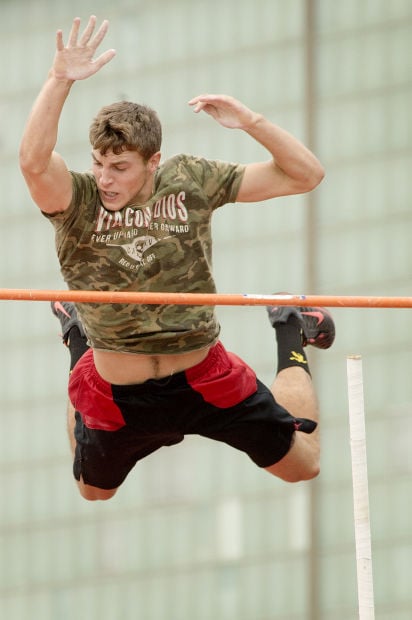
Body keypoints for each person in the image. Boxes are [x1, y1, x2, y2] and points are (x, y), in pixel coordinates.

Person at [19, 15, 335, 501]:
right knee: (92, 491)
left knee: (304, 466)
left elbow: (305, 175)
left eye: (120, 168)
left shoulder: (190, 179)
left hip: (204, 373)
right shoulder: (75, 198)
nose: (106, 179)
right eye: (99, 164)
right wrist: (58, 80)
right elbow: (33, 162)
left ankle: (290, 326)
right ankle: (78, 334)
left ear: (153, 161)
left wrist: (251, 122)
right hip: (118, 386)